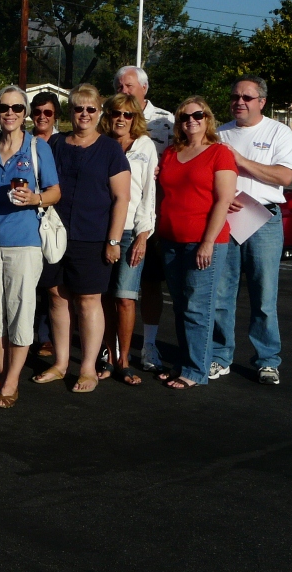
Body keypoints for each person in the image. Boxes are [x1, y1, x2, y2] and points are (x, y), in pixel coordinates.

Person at [33, 84, 130, 393]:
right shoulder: (56, 144)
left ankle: (87, 367)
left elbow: (122, 199)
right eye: (78, 108)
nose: (84, 114)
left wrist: (113, 241)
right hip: (56, 236)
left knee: (88, 301)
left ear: (98, 112)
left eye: (90, 109)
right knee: (57, 296)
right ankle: (61, 364)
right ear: (70, 112)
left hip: (93, 237)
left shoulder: (111, 149)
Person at [0, 85, 60, 408]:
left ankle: (10, 384)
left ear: (25, 114)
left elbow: (55, 192)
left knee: (20, 313)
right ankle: (3, 376)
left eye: (17, 108)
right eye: (4, 108)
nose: (10, 113)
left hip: (24, 242)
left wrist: (35, 199)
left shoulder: (38, 148)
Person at [213, 76, 292, 385]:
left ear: (262, 101)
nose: (240, 101)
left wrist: (240, 161)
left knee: (264, 295)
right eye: (235, 96)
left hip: (263, 219)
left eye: (247, 97)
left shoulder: (278, 132)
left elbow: (285, 176)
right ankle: (220, 356)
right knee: (222, 292)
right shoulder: (218, 132)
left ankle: (267, 361)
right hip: (226, 219)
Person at [155, 96, 237, 389]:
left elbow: (224, 200)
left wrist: (207, 242)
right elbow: (163, 192)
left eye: (197, 115)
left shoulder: (219, 153)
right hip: (170, 240)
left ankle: (196, 370)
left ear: (207, 119)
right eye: (184, 117)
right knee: (180, 306)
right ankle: (184, 362)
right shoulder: (171, 153)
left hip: (203, 241)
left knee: (197, 309)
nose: (191, 120)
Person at [114, 65, 174, 372]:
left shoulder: (166, 122)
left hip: (156, 217)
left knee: (150, 283)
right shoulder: (108, 121)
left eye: (130, 86)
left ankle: (148, 343)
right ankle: (110, 348)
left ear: (144, 88)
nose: (125, 91)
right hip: (117, 221)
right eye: (120, 87)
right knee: (115, 290)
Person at [99, 94, 157, 386]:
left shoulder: (146, 147)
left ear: (136, 118)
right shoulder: (101, 143)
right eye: (116, 113)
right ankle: (109, 357)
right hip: (102, 229)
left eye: (128, 114)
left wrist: (143, 236)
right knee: (105, 297)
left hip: (132, 231)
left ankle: (124, 361)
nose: (121, 119)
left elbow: (149, 195)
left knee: (125, 297)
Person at [29, 90, 63, 358]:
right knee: (30, 281)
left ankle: (47, 335)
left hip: (54, 217)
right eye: (37, 112)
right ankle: (28, 334)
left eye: (48, 112)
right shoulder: (24, 142)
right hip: (27, 217)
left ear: (56, 116)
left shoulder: (62, 144)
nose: (42, 117)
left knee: (52, 284)